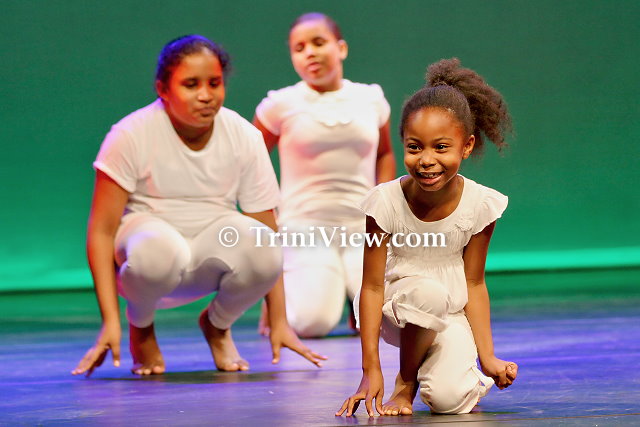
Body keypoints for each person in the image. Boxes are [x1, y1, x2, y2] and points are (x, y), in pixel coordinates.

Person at [72, 35, 325, 377]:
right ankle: (141, 328)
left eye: (214, 83)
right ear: (163, 89)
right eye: (191, 85)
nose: (206, 95)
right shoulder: (130, 134)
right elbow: (102, 232)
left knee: (264, 245)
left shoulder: (243, 135)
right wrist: (111, 321)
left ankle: (217, 325)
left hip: (210, 245)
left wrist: (279, 321)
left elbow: (267, 229)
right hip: (147, 254)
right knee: (158, 251)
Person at [336, 58, 518, 417]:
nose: (426, 159)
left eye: (441, 147)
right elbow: (371, 286)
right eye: (415, 147)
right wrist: (370, 367)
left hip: (448, 310)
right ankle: (406, 382)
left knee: (450, 401)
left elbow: (474, 283)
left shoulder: (480, 204)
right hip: (394, 307)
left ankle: (462, 376)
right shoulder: (384, 202)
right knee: (426, 294)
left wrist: (488, 357)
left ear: (466, 146)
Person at [253, 12, 396, 338]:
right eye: (299, 48)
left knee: (389, 319)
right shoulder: (280, 104)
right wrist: (268, 216)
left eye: (319, 43)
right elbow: (251, 159)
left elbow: (385, 154)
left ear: (341, 48)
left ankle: (352, 298)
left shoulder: (370, 98)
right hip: (305, 228)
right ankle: (280, 291)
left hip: (362, 228)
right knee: (311, 323)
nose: (310, 53)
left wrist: (385, 207)